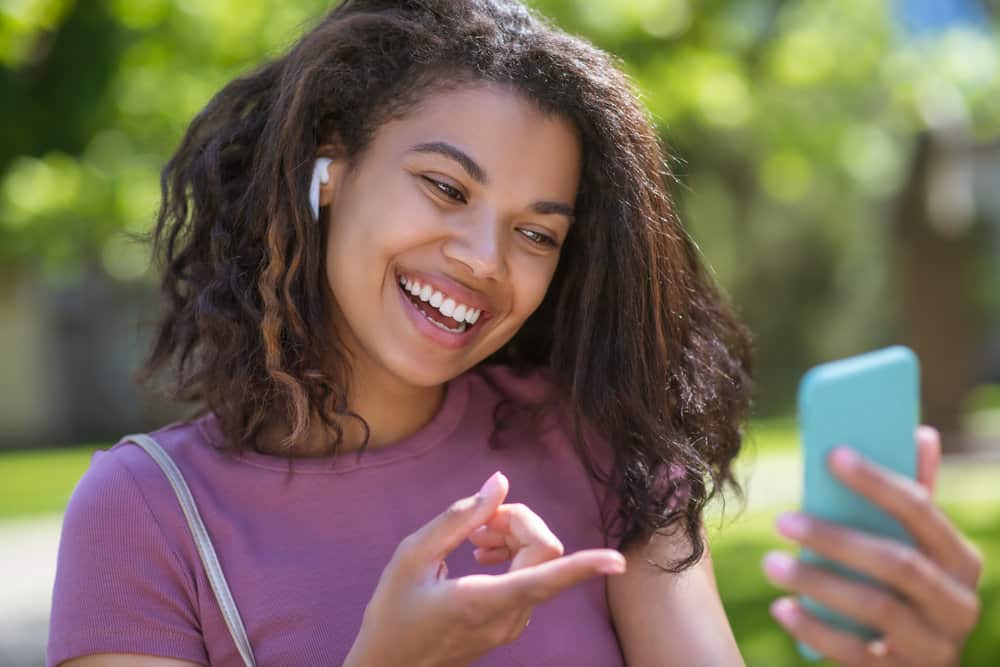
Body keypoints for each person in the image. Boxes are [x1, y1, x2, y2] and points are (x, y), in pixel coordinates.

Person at [47, 1, 982, 665]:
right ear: (330, 166)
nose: (487, 260)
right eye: (446, 188)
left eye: (538, 232)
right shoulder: (146, 514)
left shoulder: (602, 446)